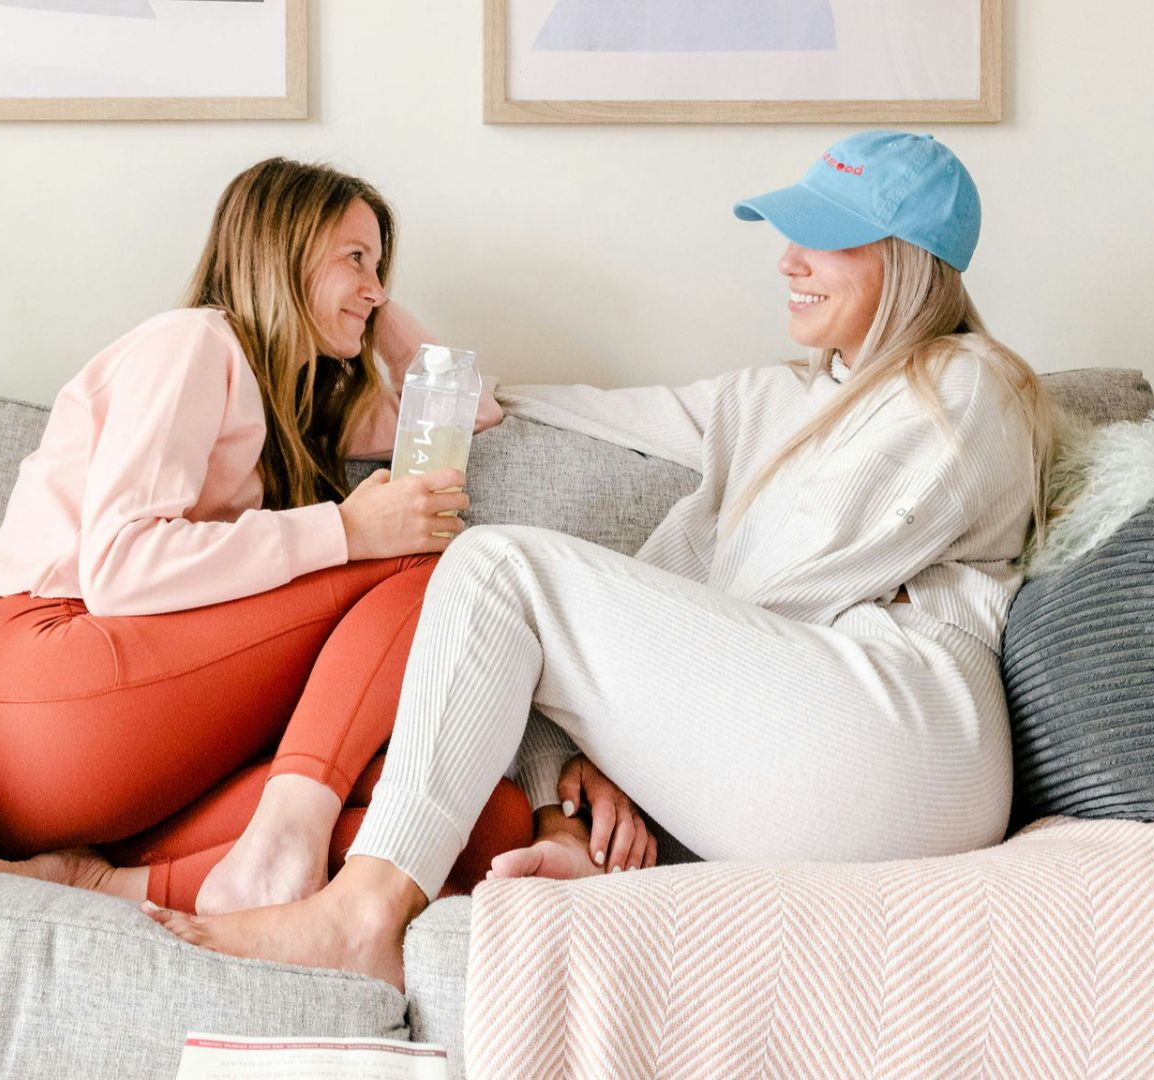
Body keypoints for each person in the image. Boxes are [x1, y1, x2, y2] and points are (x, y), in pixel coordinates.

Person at [146, 131, 1062, 988]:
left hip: (911, 739)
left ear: (905, 258)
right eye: (791, 235)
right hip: (807, 757)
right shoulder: (773, 399)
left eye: (822, 237)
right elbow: (540, 407)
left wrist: (623, 734)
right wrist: (399, 337)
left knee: (497, 567)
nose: (788, 260)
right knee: (503, 587)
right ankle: (589, 860)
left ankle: (364, 914)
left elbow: (799, 578)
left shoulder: (966, 383)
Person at [0, 157, 645, 915]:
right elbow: (120, 565)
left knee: (490, 826)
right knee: (432, 556)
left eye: (380, 268)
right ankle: (285, 837)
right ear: (280, 251)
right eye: (354, 258)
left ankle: (101, 881)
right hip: (50, 686)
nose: (376, 287)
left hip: (124, 765)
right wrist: (346, 529)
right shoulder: (191, 343)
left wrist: (366, 298)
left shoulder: (292, 402)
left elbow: (468, 409)